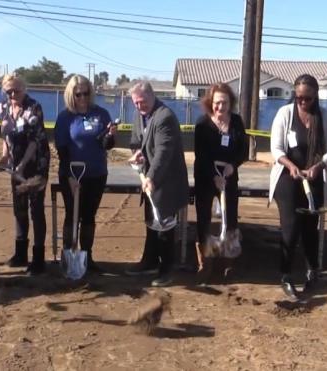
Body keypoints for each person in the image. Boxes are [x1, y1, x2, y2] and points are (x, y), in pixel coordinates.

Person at [269, 74, 327, 300]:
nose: (302, 102)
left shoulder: (324, 117)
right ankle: (286, 275)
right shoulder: (285, 114)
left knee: (310, 227)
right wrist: (290, 166)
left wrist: (319, 166)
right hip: (289, 177)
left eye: (306, 98)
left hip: (314, 176)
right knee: (290, 227)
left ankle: (312, 271)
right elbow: (276, 149)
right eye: (298, 98)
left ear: (315, 95)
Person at [125, 81, 189, 286]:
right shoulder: (139, 114)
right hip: (150, 178)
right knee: (151, 221)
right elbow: (136, 142)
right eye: (135, 103)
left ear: (152, 96)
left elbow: (164, 152)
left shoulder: (165, 117)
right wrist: (136, 154)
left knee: (164, 225)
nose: (138, 106)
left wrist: (151, 177)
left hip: (167, 180)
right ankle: (149, 261)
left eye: (142, 102)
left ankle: (166, 270)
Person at [55, 75, 116, 274]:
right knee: (72, 214)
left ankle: (87, 256)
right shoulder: (65, 117)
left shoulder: (101, 114)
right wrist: (70, 177)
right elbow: (62, 149)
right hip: (71, 174)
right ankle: (68, 254)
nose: (82, 97)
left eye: (86, 92)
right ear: (71, 94)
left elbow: (106, 146)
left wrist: (109, 136)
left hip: (96, 173)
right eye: (78, 93)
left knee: (89, 216)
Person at [193, 83, 247, 278]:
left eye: (224, 103)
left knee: (230, 217)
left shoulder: (237, 122)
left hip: (229, 176)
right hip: (206, 176)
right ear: (210, 102)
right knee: (204, 219)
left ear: (230, 102)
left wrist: (233, 165)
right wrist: (214, 176)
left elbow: (243, 150)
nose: (220, 107)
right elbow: (201, 155)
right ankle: (205, 263)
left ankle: (227, 261)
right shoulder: (202, 124)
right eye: (217, 103)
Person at [0, 75, 50, 274]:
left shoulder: (33, 107)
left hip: (36, 164)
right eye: (8, 91)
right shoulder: (3, 107)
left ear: (24, 89)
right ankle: (20, 254)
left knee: (36, 209)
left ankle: (38, 259)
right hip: (15, 163)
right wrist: (5, 156)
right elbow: (5, 134)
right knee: (19, 208)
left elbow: (35, 141)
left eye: (16, 91)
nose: (12, 95)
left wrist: (22, 165)